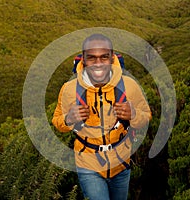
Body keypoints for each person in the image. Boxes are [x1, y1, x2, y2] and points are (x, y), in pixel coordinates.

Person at [52, 33, 151, 200]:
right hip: (88, 164)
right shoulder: (69, 89)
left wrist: (133, 114)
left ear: (112, 58)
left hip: (121, 163)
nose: (98, 63)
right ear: (83, 59)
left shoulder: (129, 85)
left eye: (104, 57)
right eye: (91, 58)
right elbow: (57, 121)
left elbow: (146, 115)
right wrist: (69, 119)